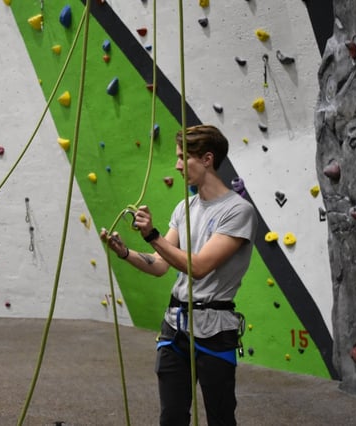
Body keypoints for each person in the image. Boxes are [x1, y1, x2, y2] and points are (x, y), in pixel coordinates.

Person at [101, 124, 257, 426]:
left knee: (221, 417)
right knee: (171, 417)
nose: (177, 165)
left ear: (207, 159)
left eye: (183, 157)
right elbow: (160, 264)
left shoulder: (238, 211)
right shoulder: (184, 207)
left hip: (214, 329)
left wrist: (152, 235)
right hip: (175, 327)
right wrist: (124, 252)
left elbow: (198, 267)